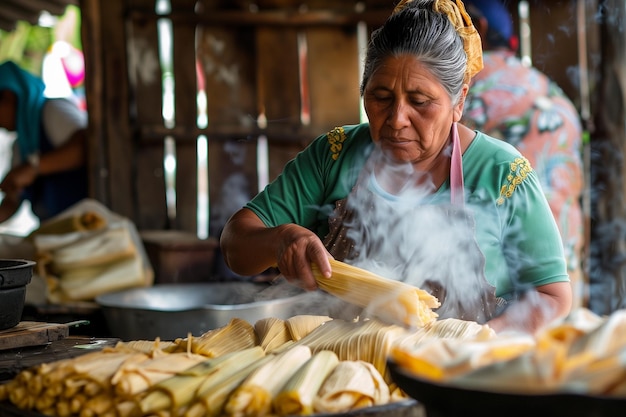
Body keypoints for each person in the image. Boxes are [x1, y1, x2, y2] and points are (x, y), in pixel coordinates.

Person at [220, 0, 572, 334]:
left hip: (459, 377)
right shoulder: (334, 155)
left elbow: (552, 297)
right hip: (349, 378)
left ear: (459, 100)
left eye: (420, 102)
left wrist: (476, 341)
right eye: (381, 97)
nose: (397, 120)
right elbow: (237, 244)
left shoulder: (502, 174)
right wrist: (279, 239)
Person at [462, 0, 586, 308]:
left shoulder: (466, 95)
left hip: (508, 287)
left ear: (479, 29)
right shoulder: (551, 93)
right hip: (566, 276)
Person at [0, 60, 88, 226]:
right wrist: (13, 187)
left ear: (9, 97)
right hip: (56, 230)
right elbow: (13, 202)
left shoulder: (52, 110)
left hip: (87, 224)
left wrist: (33, 168)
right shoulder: (21, 145)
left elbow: (84, 148)